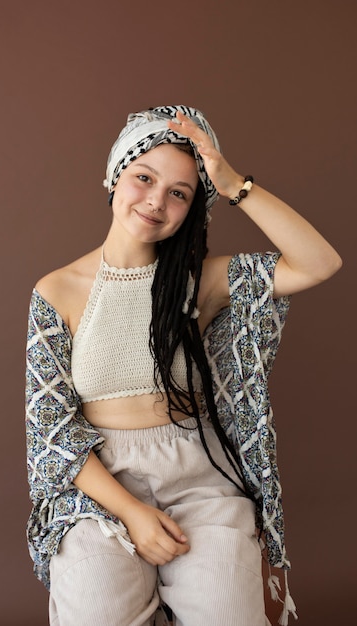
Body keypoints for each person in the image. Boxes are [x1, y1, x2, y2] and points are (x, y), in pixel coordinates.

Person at [25, 105, 342, 626]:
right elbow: (50, 428)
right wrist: (130, 511)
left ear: (195, 208)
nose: (156, 201)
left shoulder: (202, 282)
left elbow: (319, 262)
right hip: (101, 487)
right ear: (113, 176)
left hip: (199, 475)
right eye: (143, 178)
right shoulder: (56, 291)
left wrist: (234, 182)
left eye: (180, 193)